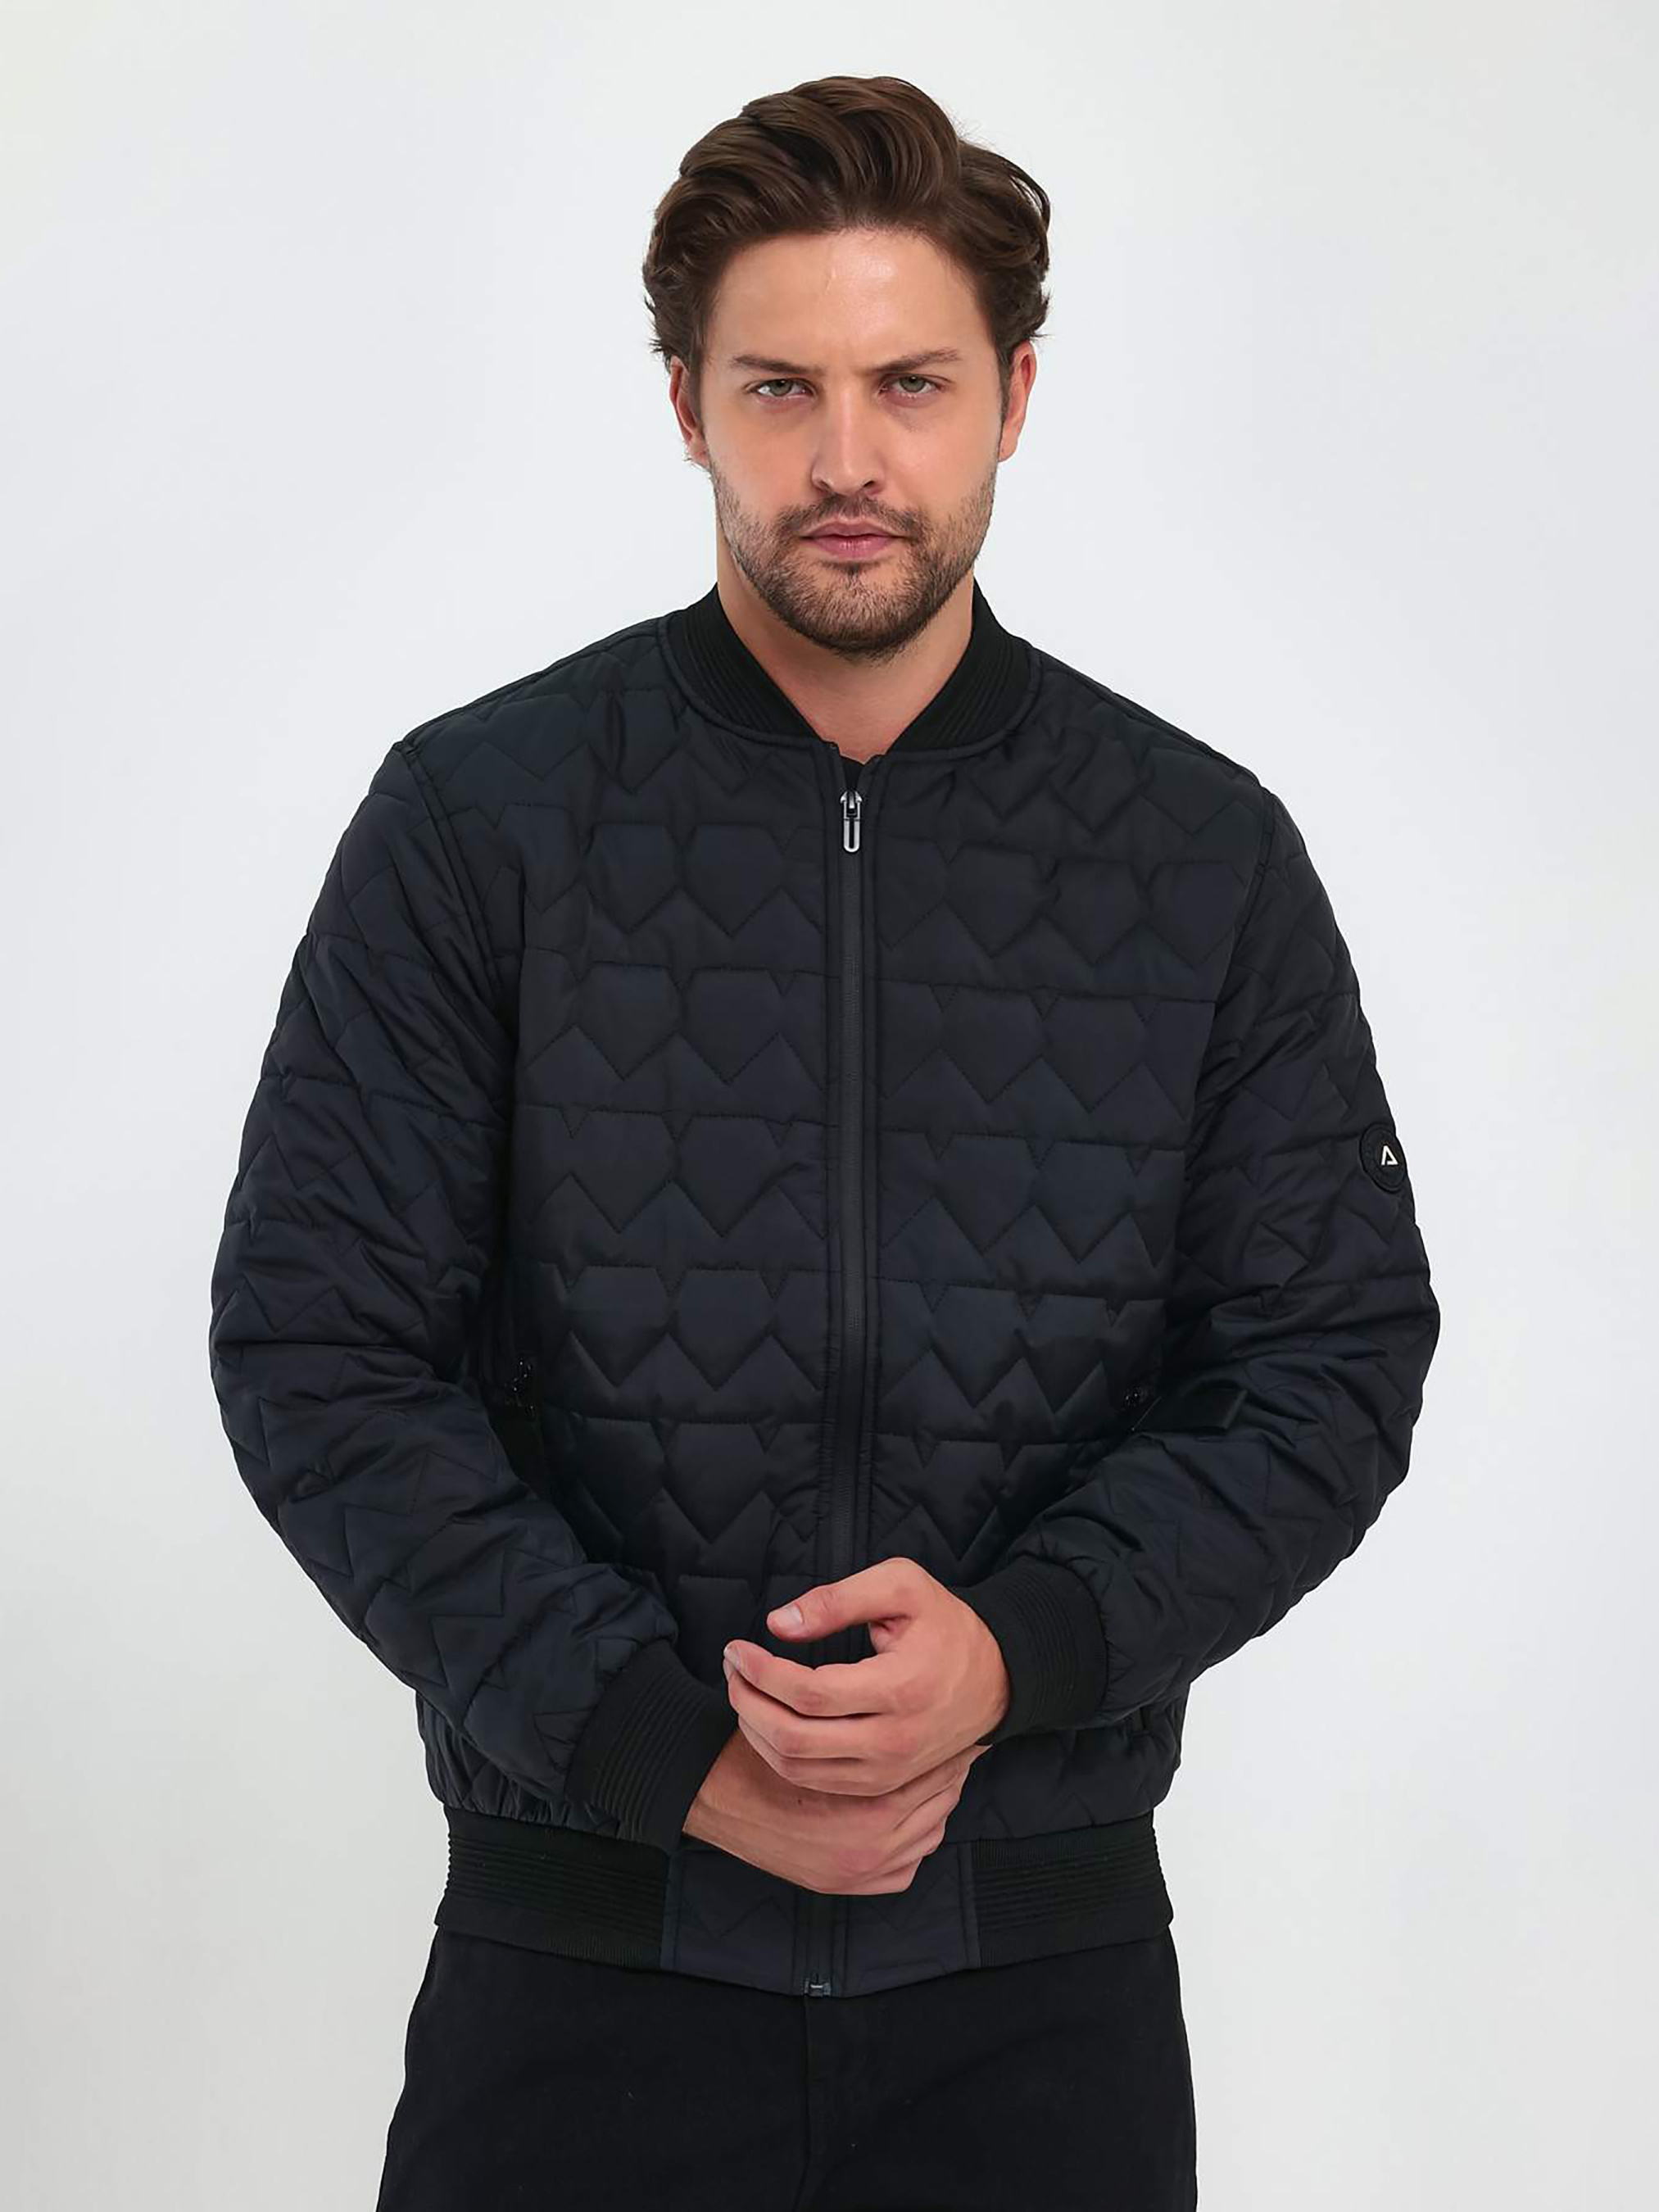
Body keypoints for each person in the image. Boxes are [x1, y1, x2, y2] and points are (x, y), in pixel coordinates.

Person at [206, 71, 1440, 2212]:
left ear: (1014, 398)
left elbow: (1326, 1362)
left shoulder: (1197, 856)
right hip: (579, 1982)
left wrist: (1019, 1651)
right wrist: (657, 1744)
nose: (847, 458)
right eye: (780, 386)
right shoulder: (481, 823)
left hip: (1035, 2004)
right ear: (686, 403)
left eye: (911, 384)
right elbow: (320, 1353)